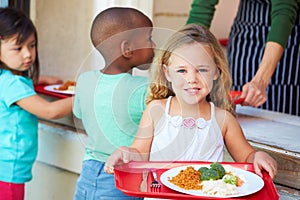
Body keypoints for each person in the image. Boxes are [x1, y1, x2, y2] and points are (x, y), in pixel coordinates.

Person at [104, 24, 277, 180]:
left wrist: (257, 156)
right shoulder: (155, 110)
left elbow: (246, 157)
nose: (192, 79)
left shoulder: (223, 119)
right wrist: (125, 152)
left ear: (216, 72)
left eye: (201, 69)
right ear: (167, 73)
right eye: (182, 70)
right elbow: (139, 153)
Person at [72, 7, 156, 200]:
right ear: (127, 49)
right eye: (149, 38)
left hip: (88, 172)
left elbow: (80, 115)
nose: (154, 44)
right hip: (121, 174)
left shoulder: (84, 80)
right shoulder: (143, 89)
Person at [0, 7, 73, 200]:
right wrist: (84, 95)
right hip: (8, 170)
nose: (28, 54)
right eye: (18, 48)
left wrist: (39, 80)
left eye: (32, 45)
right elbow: (49, 111)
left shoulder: (7, 78)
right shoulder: (12, 84)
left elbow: (16, 89)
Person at [187, 0, 300, 116]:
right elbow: (202, 7)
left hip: (285, 39)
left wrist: (260, 80)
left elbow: (284, 11)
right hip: (244, 38)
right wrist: (183, 56)